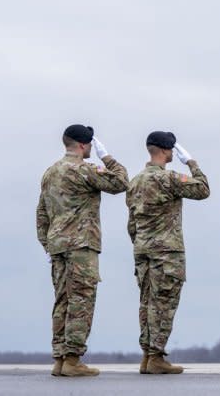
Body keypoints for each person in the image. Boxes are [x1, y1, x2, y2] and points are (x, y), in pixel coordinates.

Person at [36, 124, 128, 377]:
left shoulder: (50, 172)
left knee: (62, 301)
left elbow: (41, 213)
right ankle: (73, 359)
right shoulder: (85, 169)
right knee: (81, 300)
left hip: (57, 246)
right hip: (81, 244)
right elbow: (121, 182)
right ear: (84, 145)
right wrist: (107, 157)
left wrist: (49, 243)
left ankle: (60, 359)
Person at [126, 131, 210, 374]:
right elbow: (203, 189)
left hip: (142, 249)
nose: (173, 153)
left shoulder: (135, 181)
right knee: (164, 303)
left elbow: (131, 223)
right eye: (171, 149)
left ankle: (147, 355)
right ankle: (156, 357)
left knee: (147, 303)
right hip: (166, 251)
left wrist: (141, 241)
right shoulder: (169, 178)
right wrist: (192, 163)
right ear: (164, 151)